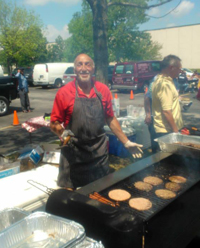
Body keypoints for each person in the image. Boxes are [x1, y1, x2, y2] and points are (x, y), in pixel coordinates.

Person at [50, 54, 143, 189]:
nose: (84, 68)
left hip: (98, 154)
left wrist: (126, 141)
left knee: (100, 192)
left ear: (93, 68)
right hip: (73, 154)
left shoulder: (103, 90)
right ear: (75, 69)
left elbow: (110, 118)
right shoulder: (64, 93)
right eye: (79, 64)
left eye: (87, 64)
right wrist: (63, 134)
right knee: (69, 197)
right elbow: (54, 123)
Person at [152, 55, 183, 140]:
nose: (180, 71)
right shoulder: (165, 85)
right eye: (179, 68)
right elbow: (166, 111)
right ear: (172, 68)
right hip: (167, 131)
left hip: (168, 130)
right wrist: (176, 132)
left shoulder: (160, 80)